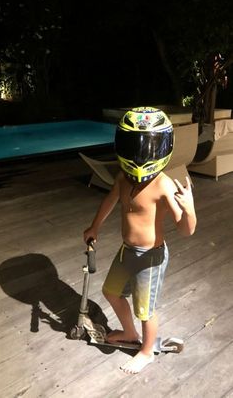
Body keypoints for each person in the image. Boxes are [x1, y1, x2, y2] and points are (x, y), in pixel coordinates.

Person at [83, 107, 197, 374]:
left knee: (145, 310)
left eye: (148, 147)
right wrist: (94, 226)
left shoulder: (164, 185)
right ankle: (129, 333)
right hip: (127, 251)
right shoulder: (124, 178)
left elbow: (186, 229)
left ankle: (146, 352)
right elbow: (110, 199)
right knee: (111, 291)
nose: (141, 154)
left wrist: (189, 208)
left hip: (151, 257)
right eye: (134, 146)